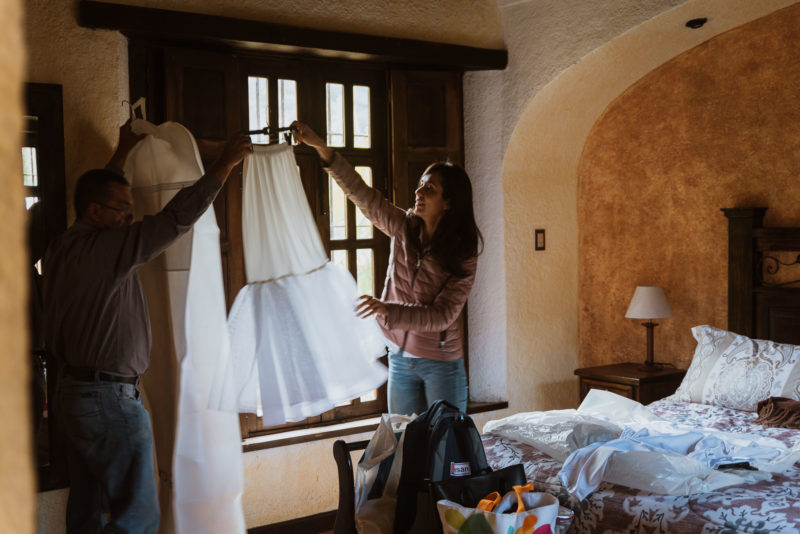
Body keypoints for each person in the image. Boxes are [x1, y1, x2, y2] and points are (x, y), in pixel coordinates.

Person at [43, 120, 252, 534]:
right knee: (137, 515)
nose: (131, 214)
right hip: (109, 402)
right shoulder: (110, 248)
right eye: (123, 208)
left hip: (72, 396)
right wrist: (224, 165)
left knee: (87, 510)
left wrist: (122, 152)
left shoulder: (63, 246)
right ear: (96, 213)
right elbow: (175, 218)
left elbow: (98, 193)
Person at [291, 121, 482, 416]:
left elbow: (443, 315)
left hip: (441, 364)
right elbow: (361, 194)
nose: (418, 191)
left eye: (429, 188)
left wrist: (387, 310)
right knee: (403, 444)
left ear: (448, 202)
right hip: (400, 359)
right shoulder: (403, 226)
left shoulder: (463, 251)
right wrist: (321, 147)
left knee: (446, 449)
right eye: (420, 184)